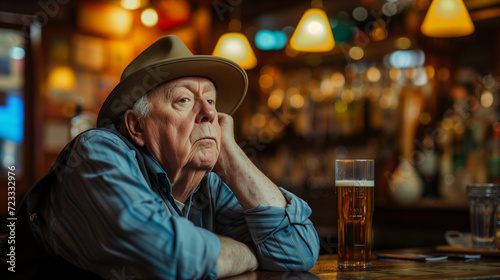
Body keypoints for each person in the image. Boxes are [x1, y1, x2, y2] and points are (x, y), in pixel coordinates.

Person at [0, 35, 319, 279]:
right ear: (137, 126)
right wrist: (249, 252)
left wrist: (232, 158)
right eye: (184, 99)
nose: (210, 112)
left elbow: (296, 250)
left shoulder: (206, 184)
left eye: (211, 100)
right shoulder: (96, 154)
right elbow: (169, 255)